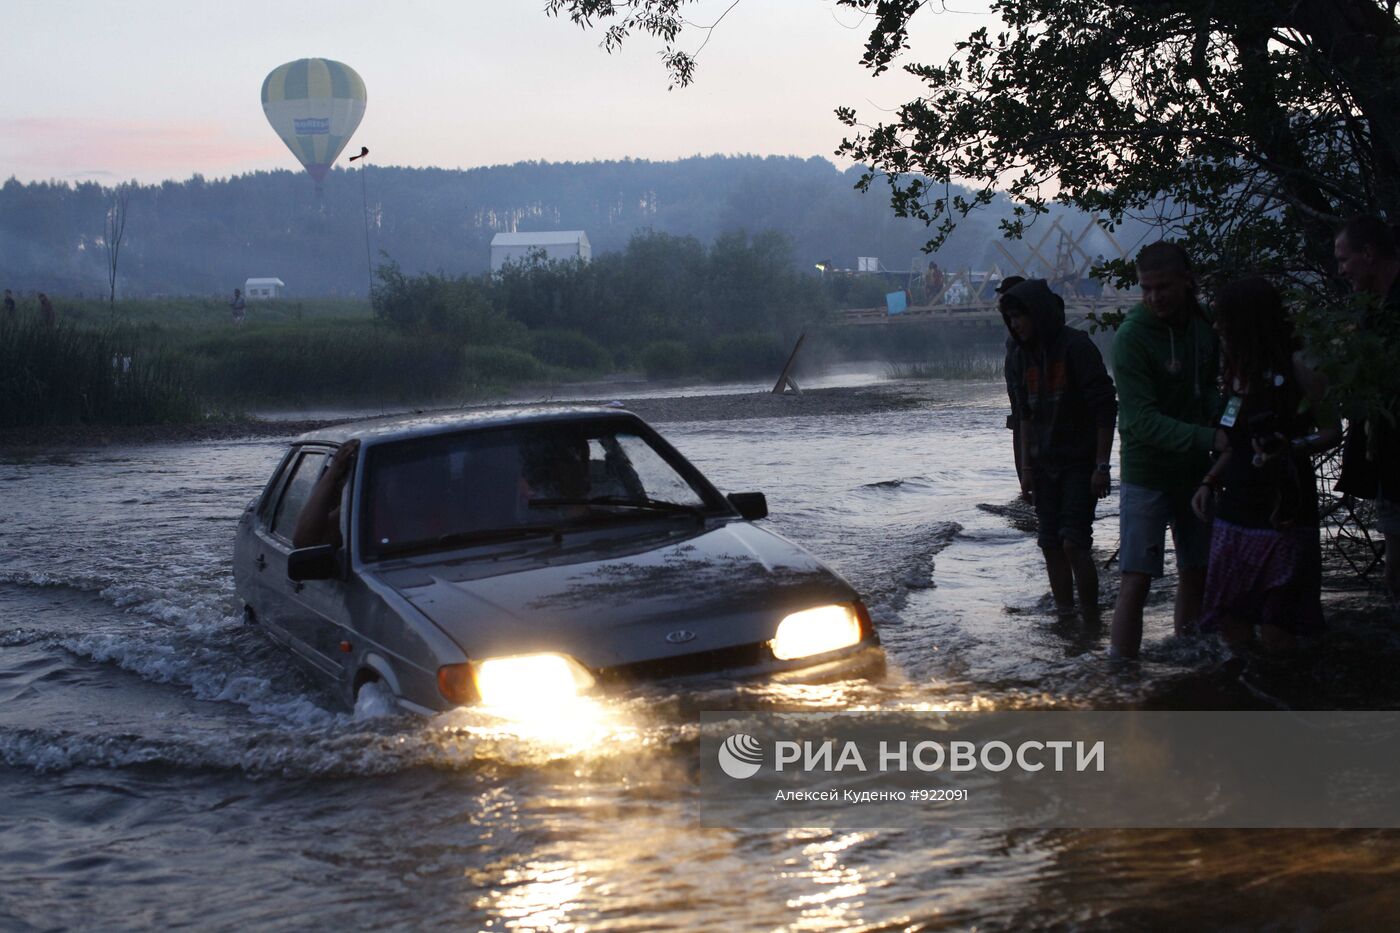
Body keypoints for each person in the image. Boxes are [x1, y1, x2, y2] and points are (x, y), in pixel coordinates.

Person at [1190, 277, 1341, 653]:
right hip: (1236, 513)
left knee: (1280, 628)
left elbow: (1331, 431)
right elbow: (1232, 444)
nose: (1216, 326)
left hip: (1285, 511)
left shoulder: (1300, 366)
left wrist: (1290, 446)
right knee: (1231, 623)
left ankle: (1287, 698)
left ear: (1246, 320)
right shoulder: (1235, 375)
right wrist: (1208, 482)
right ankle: (1245, 699)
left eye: (1223, 318)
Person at [1109, 241, 1221, 659]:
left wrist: (1222, 417)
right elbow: (1141, 421)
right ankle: (1120, 674)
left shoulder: (1202, 325)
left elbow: (1208, 387)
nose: (1155, 297)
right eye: (1146, 288)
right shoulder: (1131, 337)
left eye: (1163, 287)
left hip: (1195, 471)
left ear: (1186, 282)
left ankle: (1189, 659)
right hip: (1147, 472)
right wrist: (1211, 438)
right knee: (1136, 579)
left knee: (1197, 571)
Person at [1003, 278, 1118, 619]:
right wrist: (1025, 470)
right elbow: (1024, 416)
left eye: (1020, 316)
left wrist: (1102, 466)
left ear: (1038, 313)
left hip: (1079, 464)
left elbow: (1105, 408)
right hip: (1043, 466)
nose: (1015, 324)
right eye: (1010, 318)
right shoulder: (1021, 357)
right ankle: (1066, 617)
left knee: (1074, 543)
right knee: (1050, 545)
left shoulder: (1076, 347)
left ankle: (1091, 616)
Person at [1333, 215, 1400, 597]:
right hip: (1389, 467)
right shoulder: (1373, 310)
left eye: (1344, 260)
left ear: (1369, 254)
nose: (1341, 270)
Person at [293, 440, 359, 549]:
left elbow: (305, 542)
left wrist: (333, 473)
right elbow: (304, 542)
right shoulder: (358, 505)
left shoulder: (364, 503)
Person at [997, 275, 1029, 492]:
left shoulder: (1024, 340)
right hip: (1020, 414)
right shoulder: (1014, 338)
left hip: (1027, 417)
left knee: (1029, 474)